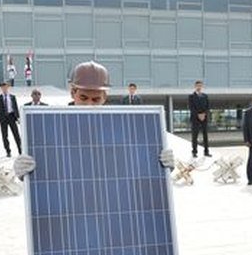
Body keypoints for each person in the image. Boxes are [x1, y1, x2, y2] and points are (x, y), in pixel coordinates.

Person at [13, 61, 174, 177]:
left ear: (105, 97)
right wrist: (25, 173)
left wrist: (160, 166)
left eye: (95, 99)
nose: (89, 104)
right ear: (72, 93)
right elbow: (49, 173)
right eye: (83, 97)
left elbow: (132, 168)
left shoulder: (121, 129)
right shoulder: (52, 128)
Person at [0, 81, 22, 157]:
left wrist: (18, 117)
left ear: (8, 87)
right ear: (1, 88)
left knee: (16, 134)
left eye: (6, 87)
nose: (5, 89)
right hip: (3, 118)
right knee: (5, 136)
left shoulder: (12, 97)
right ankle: (8, 151)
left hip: (11, 117)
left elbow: (15, 107)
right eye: (3, 87)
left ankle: (20, 149)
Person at [188, 80, 211, 158]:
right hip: (195, 118)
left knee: (205, 135)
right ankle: (194, 152)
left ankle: (206, 152)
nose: (199, 87)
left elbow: (208, 107)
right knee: (195, 136)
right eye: (197, 86)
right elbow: (191, 108)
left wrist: (204, 114)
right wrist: (198, 115)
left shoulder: (205, 96)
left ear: (202, 86)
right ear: (195, 86)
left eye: (200, 86)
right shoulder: (191, 96)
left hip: (204, 118)